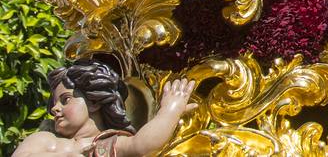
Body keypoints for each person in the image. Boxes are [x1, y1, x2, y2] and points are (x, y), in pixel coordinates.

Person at [14, 60, 196, 157]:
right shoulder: (45, 140)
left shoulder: (107, 145)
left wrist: (170, 110)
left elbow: (142, 145)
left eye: (65, 100)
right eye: (54, 103)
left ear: (94, 102)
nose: (55, 108)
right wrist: (68, 153)